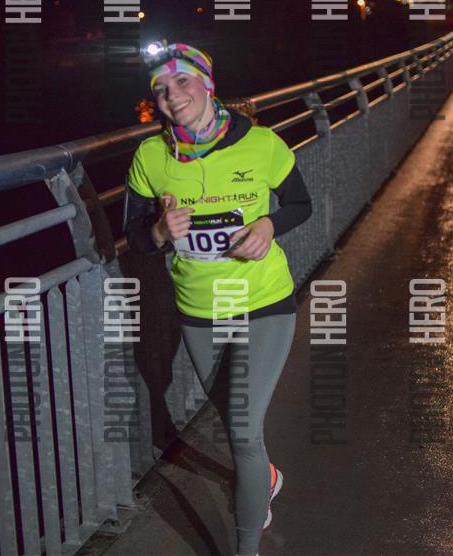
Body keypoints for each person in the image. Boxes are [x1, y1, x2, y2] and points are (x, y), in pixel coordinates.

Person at [123, 42, 312, 556]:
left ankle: (245, 546)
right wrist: (160, 231)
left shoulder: (262, 144)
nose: (171, 95)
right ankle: (265, 477)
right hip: (199, 312)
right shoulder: (151, 157)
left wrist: (269, 224)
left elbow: (300, 203)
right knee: (232, 417)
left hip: (264, 301)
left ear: (208, 84)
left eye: (182, 81)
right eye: (161, 89)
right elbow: (135, 237)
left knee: (244, 433)